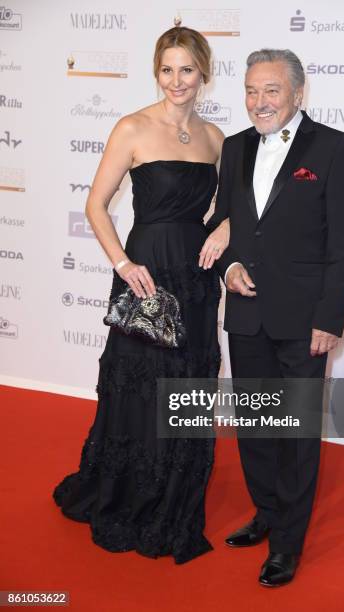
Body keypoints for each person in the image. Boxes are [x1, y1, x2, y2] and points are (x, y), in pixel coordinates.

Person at [53, 25, 230, 564]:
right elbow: (96, 205)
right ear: (157, 72)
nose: (177, 81)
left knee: (188, 380)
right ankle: (132, 489)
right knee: (142, 382)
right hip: (147, 275)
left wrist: (224, 229)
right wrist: (123, 263)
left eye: (187, 70)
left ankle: (177, 484)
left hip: (197, 278)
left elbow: (230, 206)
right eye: (167, 69)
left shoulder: (217, 138)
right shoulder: (132, 126)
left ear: (203, 73)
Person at [205, 49, 344, 586]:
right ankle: (267, 513)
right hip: (246, 314)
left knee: (295, 433)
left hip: (303, 321)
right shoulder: (234, 146)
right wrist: (228, 268)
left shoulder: (334, 148)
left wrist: (329, 318)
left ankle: (288, 541)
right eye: (251, 90)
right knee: (254, 426)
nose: (259, 101)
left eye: (271, 90)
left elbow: (343, 245)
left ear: (297, 93)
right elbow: (229, 225)